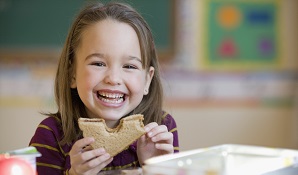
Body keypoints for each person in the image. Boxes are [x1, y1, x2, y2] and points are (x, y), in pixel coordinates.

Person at [29, 1, 179, 175]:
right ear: (72, 74)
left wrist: (156, 168)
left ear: (147, 80)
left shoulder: (161, 129)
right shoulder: (51, 135)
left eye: (129, 66)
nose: (113, 79)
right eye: (98, 63)